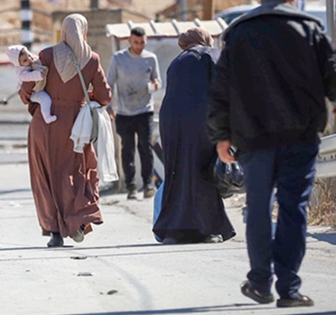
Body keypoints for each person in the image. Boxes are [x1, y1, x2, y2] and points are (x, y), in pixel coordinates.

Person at [207, 0, 336, 309]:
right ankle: (289, 289)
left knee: (258, 208)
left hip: (254, 139)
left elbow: (220, 92)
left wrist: (221, 137)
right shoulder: (310, 29)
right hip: (300, 138)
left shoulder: (239, 35)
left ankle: (260, 282)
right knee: (293, 210)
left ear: (262, 0)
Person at [20, 14, 111, 248]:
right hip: (76, 126)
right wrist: (82, 97)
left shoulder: (47, 55)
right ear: (83, 31)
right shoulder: (92, 59)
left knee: (46, 176)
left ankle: (54, 232)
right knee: (79, 172)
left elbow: (27, 90)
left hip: (45, 124)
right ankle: (78, 219)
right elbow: (104, 96)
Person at [154, 27, 235, 245]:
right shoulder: (211, 54)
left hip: (171, 124)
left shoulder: (177, 61)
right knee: (203, 171)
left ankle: (173, 232)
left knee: (177, 172)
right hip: (201, 121)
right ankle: (207, 230)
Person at [107, 26, 162, 200]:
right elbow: (109, 82)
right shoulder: (118, 59)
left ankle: (148, 184)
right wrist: (109, 106)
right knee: (127, 149)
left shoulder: (150, 58)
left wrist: (151, 86)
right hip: (124, 111)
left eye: (142, 43)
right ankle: (130, 186)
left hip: (145, 110)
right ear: (129, 41)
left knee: (145, 147)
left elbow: (158, 82)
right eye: (136, 42)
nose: (139, 46)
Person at [6, 45, 56, 124]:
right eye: (25, 60)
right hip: (33, 93)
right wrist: (39, 74)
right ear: (19, 64)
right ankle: (47, 117)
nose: (29, 59)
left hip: (38, 86)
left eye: (29, 55)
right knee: (45, 99)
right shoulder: (21, 71)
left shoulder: (33, 59)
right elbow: (27, 77)